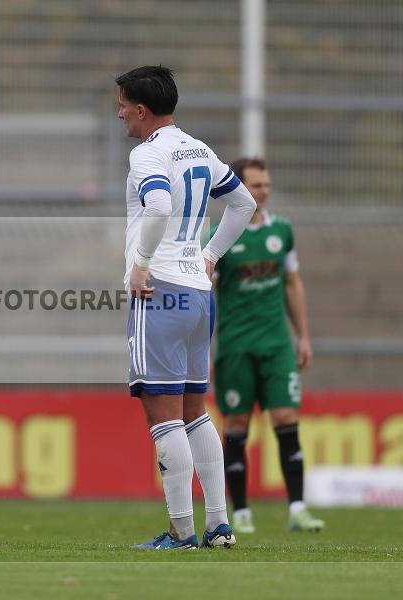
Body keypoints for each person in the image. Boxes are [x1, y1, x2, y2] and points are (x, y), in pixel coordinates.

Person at [116, 66, 256, 550]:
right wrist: (210, 255)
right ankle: (219, 524)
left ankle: (181, 530)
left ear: (140, 109)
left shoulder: (147, 153)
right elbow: (243, 204)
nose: (119, 113)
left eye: (122, 105)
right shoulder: (199, 149)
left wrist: (141, 265)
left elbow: (156, 207)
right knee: (195, 411)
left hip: (159, 290)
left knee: (164, 415)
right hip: (198, 293)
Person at [209, 157, 324, 534]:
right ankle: (241, 514)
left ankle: (298, 510)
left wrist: (302, 336)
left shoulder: (282, 231)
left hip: (276, 344)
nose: (264, 192)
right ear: (239, 188)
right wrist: (204, 349)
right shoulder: (220, 235)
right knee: (237, 425)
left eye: (266, 185)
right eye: (256, 185)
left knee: (287, 419)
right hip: (236, 347)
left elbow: (293, 283)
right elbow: (206, 293)